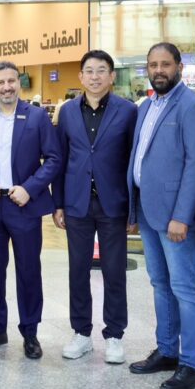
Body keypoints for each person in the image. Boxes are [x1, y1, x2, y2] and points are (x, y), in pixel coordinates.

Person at [127, 42, 195, 389]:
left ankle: (192, 364)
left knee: (185, 288)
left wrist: (183, 216)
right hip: (149, 211)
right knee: (160, 283)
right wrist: (133, 209)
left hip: (176, 217)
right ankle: (167, 350)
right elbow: (140, 157)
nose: (158, 70)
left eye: (165, 64)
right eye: (153, 65)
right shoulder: (147, 105)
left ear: (179, 67)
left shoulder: (192, 106)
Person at [0, 61, 61, 360]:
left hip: (24, 206)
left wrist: (29, 188)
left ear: (19, 83)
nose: (6, 87)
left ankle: (30, 332)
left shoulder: (37, 117)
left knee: (28, 271)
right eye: (0, 82)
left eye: (11, 81)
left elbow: (54, 158)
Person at [52, 49, 137, 364]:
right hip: (77, 203)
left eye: (102, 70)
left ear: (112, 76)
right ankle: (81, 333)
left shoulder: (128, 111)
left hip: (113, 203)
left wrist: (133, 208)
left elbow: (133, 161)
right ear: (81, 76)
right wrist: (58, 202)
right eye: (89, 70)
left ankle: (114, 335)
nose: (95, 76)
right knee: (78, 270)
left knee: (114, 271)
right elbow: (60, 158)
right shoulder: (67, 112)